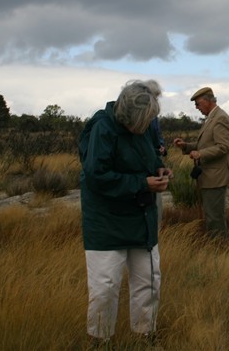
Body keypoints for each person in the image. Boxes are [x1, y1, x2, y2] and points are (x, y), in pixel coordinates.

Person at [78, 79, 173, 343]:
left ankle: (146, 336)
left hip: (142, 217)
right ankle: (100, 341)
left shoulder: (142, 123)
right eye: (141, 123)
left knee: (149, 280)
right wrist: (142, 183)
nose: (143, 128)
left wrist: (159, 169)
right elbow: (96, 176)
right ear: (126, 114)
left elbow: (149, 156)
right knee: (105, 286)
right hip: (106, 221)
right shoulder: (102, 128)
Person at [173, 86, 229, 240]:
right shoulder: (212, 118)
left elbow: (223, 147)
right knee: (211, 215)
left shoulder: (220, 118)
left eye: (198, 103)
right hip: (210, 176)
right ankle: (216, 246)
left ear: (208, 101)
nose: (196, 107)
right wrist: (186, 146)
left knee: (215, 217)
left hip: (216, 176)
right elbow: (206, 144)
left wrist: (200, 154)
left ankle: (219, 249)